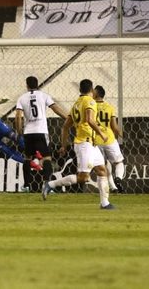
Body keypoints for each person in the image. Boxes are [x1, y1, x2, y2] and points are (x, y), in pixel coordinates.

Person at [42, 79, 115, 210]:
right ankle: (51, 184)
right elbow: (90, 120)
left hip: (90, 144)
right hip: (84, 144)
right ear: (91, 90)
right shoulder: (89, 101)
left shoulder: (76, 104)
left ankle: (105, 203)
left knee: (102, 170)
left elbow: (65, 127)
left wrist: (64, 145)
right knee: (83, 177)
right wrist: (102, 133)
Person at [15, 76, 67, 192]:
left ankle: (27, 186)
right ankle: (47, 185)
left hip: (28, 132)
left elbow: (18, 116)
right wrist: (67, 118)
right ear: (38, 84)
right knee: (47, 158)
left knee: (28, 158)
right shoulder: (43, 95)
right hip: (41, 131)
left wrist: (19, 132)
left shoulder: (22, 98)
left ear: (27, 85)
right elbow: (55, 108)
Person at [93, 85, 125, 193]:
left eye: (93, 92)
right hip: (109, 139)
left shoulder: (90, 107)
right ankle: (118, 179)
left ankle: (113, 187)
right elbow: (115, 127)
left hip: (96, 140)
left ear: (96, 94)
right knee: (119, 162)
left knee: (104, 165)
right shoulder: (110, 107)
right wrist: (122, 135)